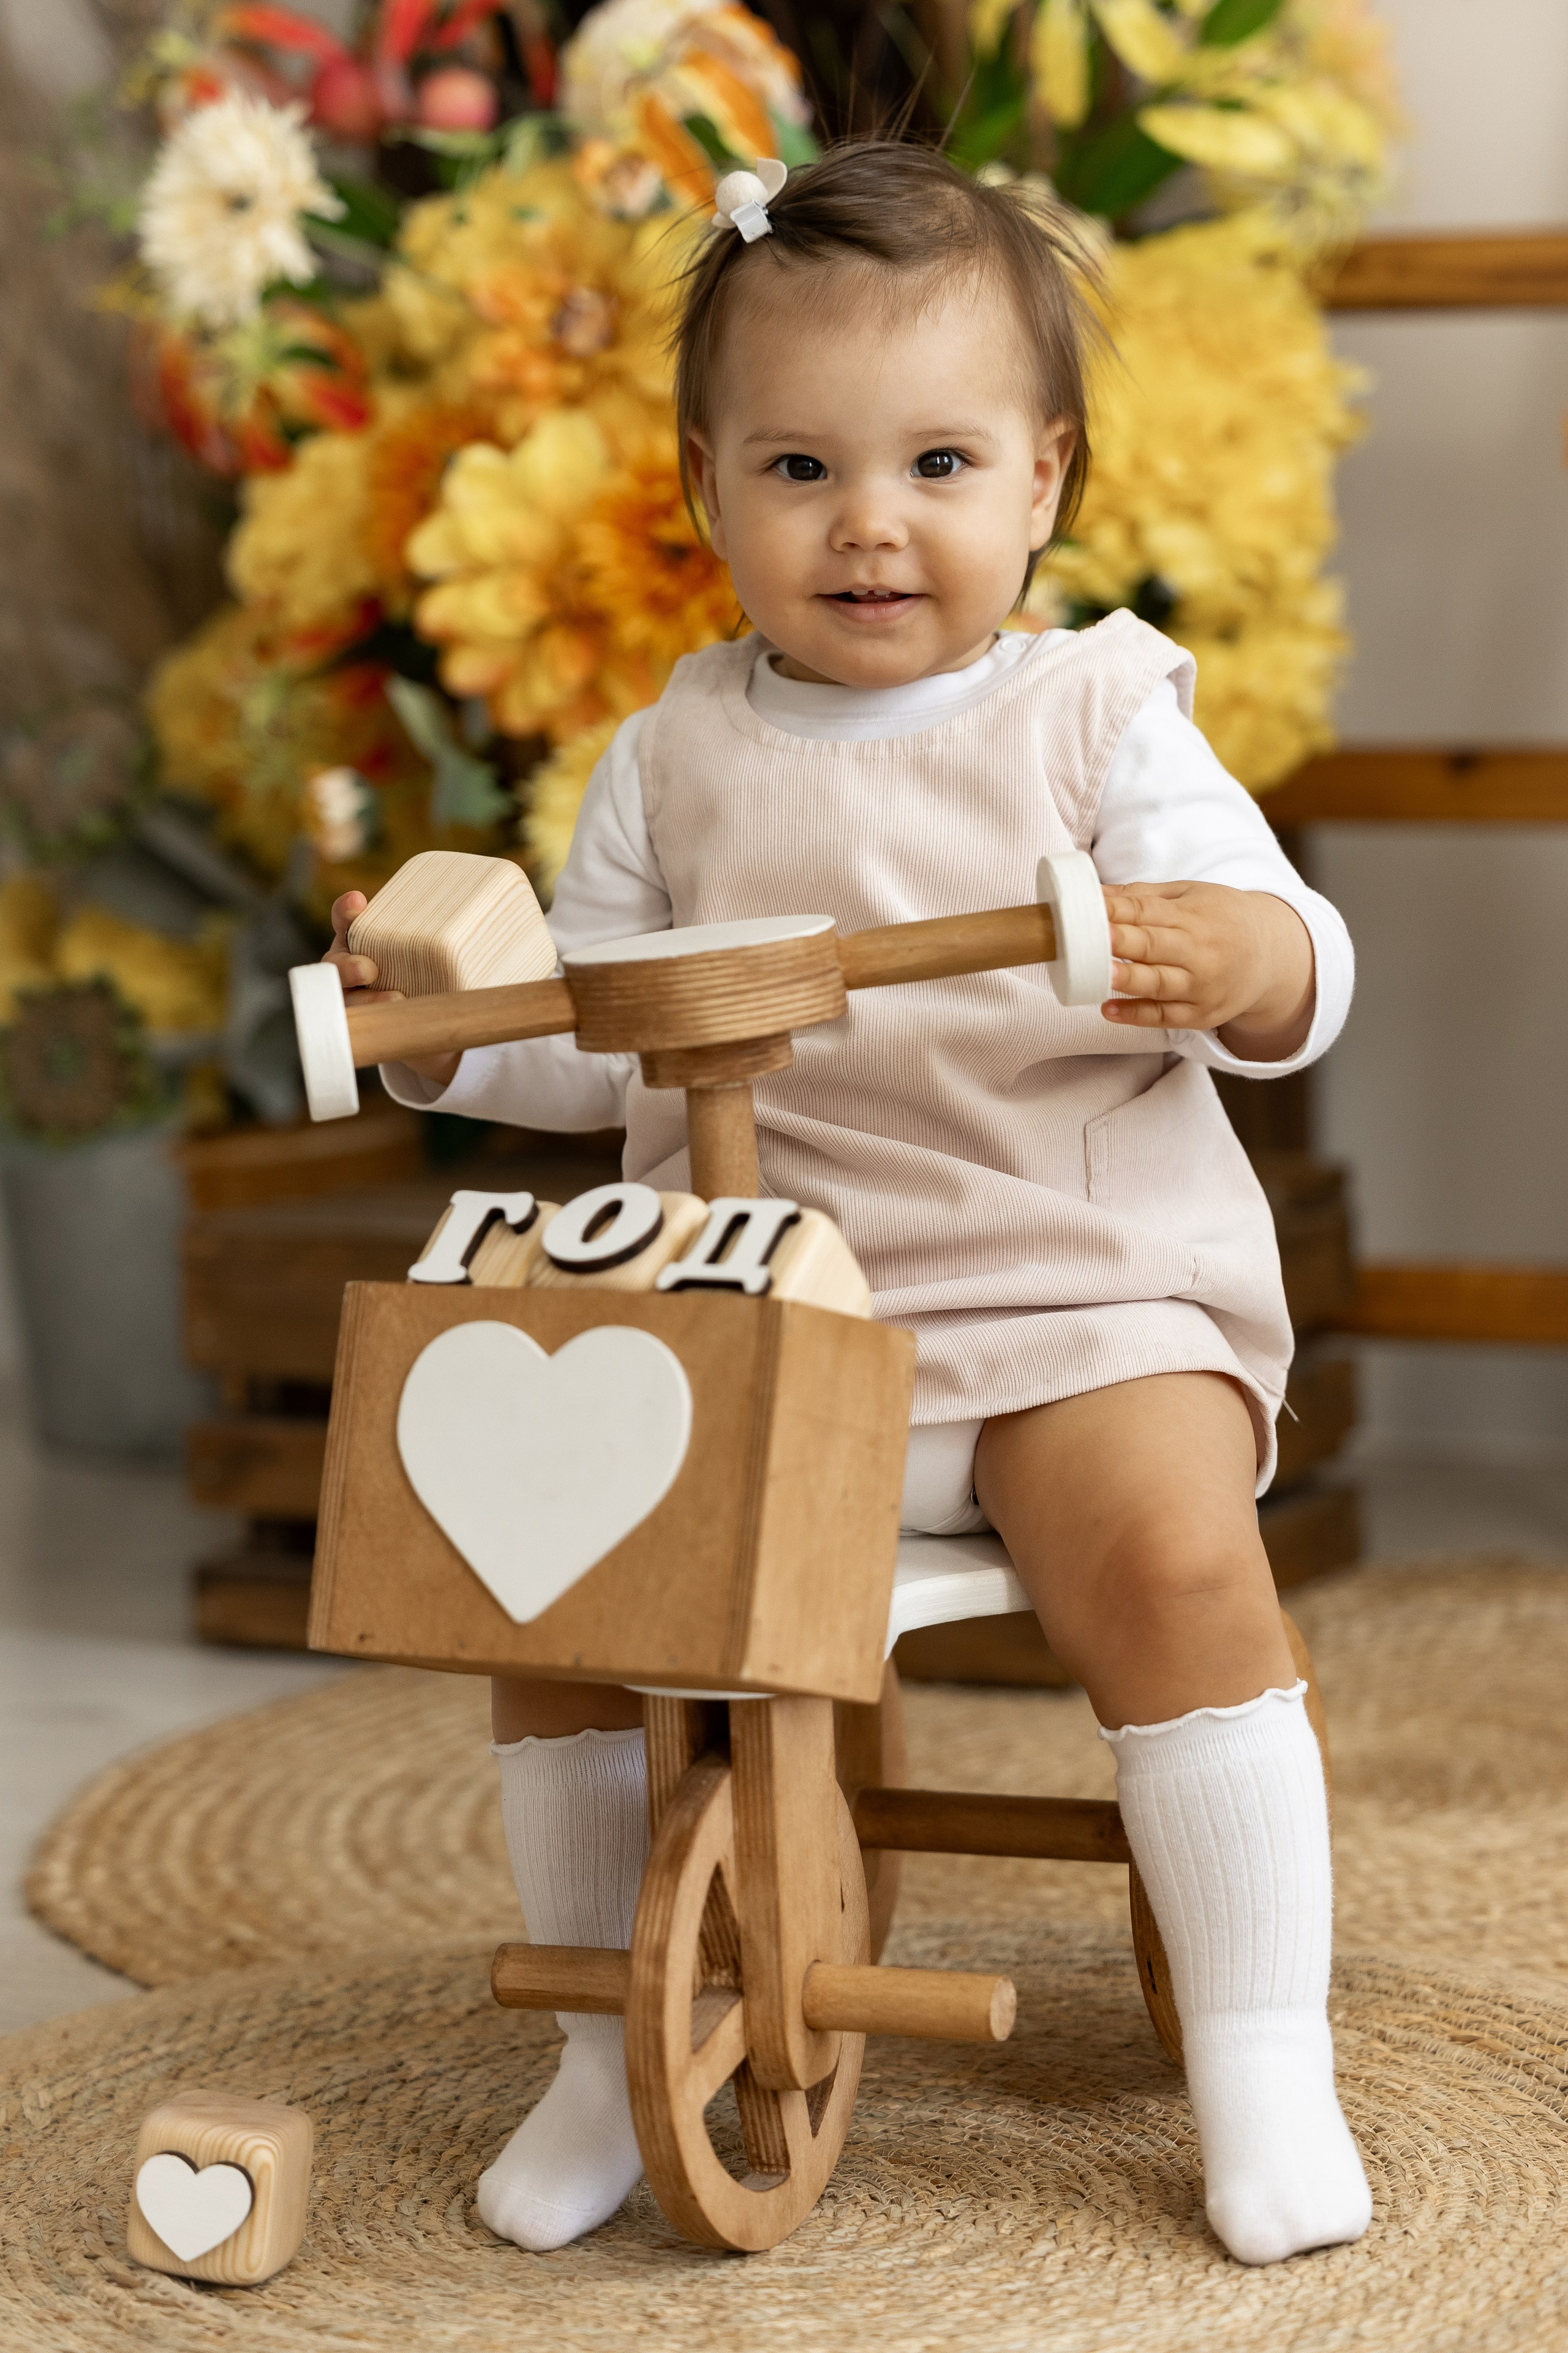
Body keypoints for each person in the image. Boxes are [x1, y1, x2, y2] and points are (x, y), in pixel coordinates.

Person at [325, 139, 1369, 2268]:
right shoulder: (676, 753)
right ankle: (601, 2038)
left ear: (1044, 480)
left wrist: (1242, 958)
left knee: (1174, 1563)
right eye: (800, 467)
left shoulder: (1101, 712)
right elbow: (595, 1037)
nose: (869, 521)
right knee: (556, 1587)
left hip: (1075, 1292)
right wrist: (440, 1031)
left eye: (938, 463)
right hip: (764, 1314)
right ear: (705, 490)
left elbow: (1292, 959)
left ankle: (1267, 2049)